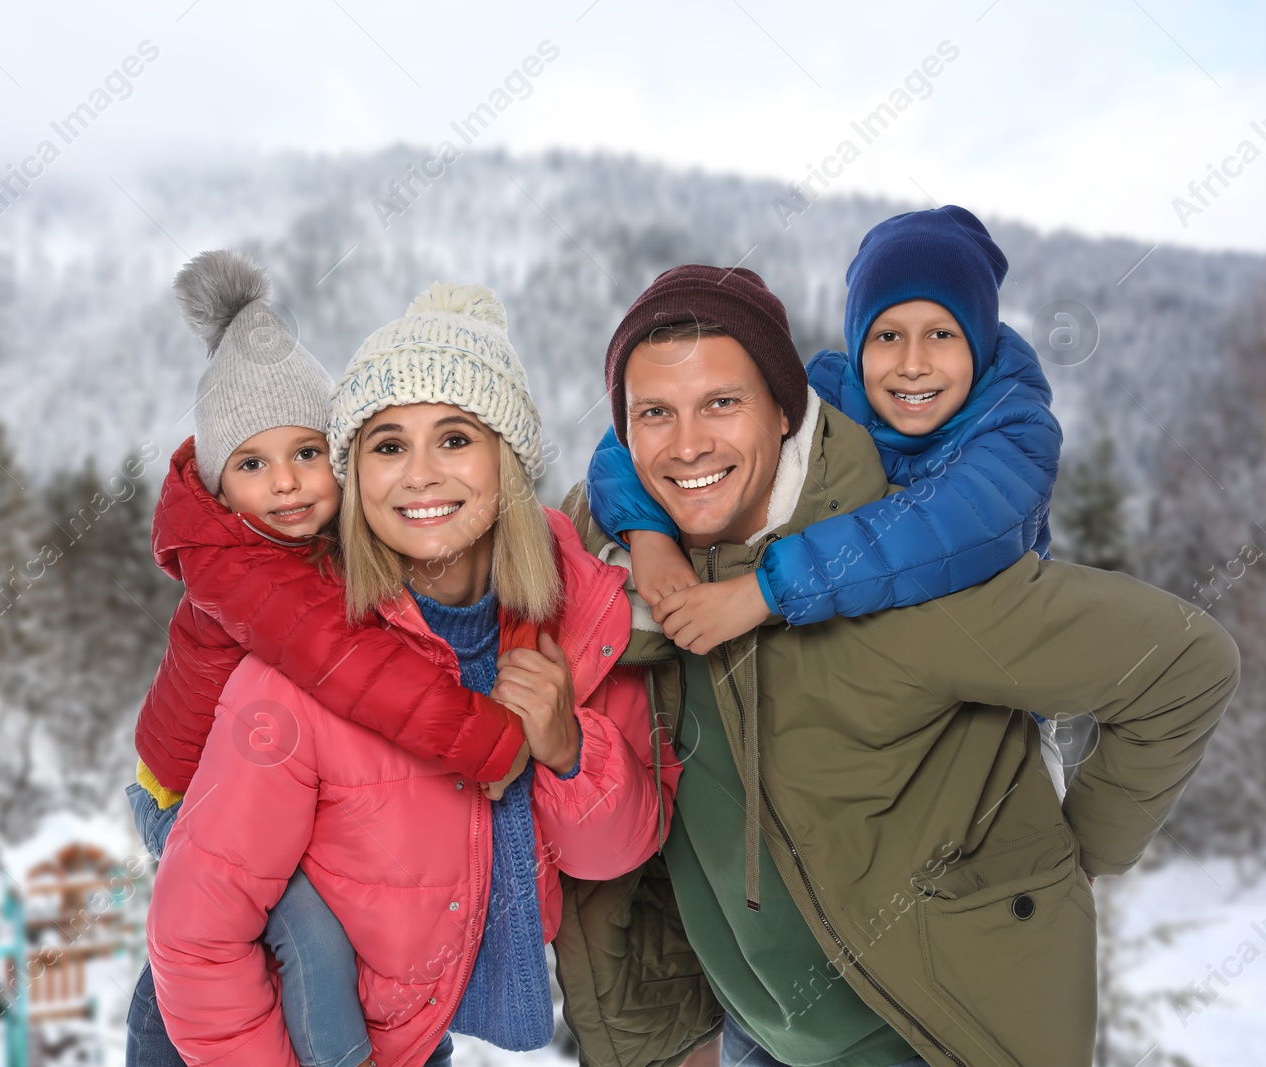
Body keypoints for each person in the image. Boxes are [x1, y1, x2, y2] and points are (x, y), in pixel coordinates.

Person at [553, 264, 1238, 1067]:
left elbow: (1183, 664)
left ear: (784, 409)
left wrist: (1082, 855)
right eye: (655, 414)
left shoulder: (899, 568)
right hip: (755, 1038)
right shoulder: (618, 580)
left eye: (722, 403)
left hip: (932, 1039)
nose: (689, 442)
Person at [145, 281, 678, 1066]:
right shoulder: (309, 670)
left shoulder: (582, 623)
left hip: (425, 1038)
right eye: (389, 445)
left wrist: (570, 750)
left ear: (508, 462)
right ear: (357, 475)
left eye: (456, 438)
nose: (420, 474)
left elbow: (617, 851)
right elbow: (198, 935)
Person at [125, 252, 533, 1067]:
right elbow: (348, 663)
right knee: (310, 939)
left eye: (308, 453)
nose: (286, 484)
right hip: (173, 792)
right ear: (217, 480)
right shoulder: (241, 568)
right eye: (251, 464)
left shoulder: (312, 550)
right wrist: (482, 737)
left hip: (230, 791)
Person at [585, 207, 1069, 795]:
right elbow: (629, 442)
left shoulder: (1016, 429)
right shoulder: (834, 393)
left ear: (982, 338)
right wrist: (650, 536)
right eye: (887, 336)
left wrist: (766, 590)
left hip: (994, 709)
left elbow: (941, 530)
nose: (913, 364)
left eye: (942, 334)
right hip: (870, 689)